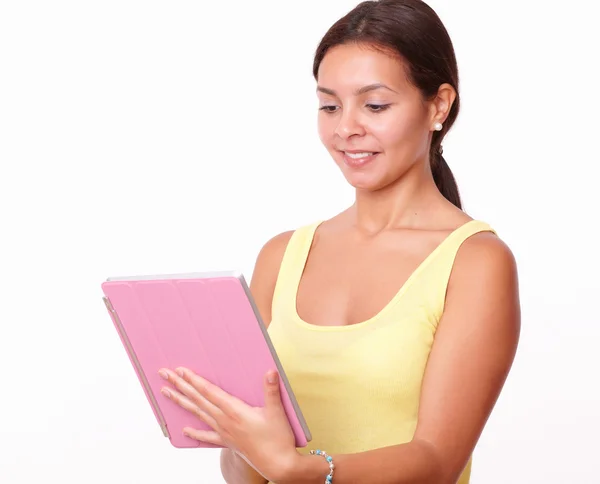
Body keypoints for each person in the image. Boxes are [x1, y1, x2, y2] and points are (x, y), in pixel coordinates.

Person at [156, 0, 521, 482]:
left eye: (374, 105)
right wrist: (238, 435)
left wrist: (300, 469)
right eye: (329, 105)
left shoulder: (474, 262)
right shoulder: (282, 256)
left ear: (438, 105)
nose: (346, 128)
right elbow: (246, 471)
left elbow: (436, 461)